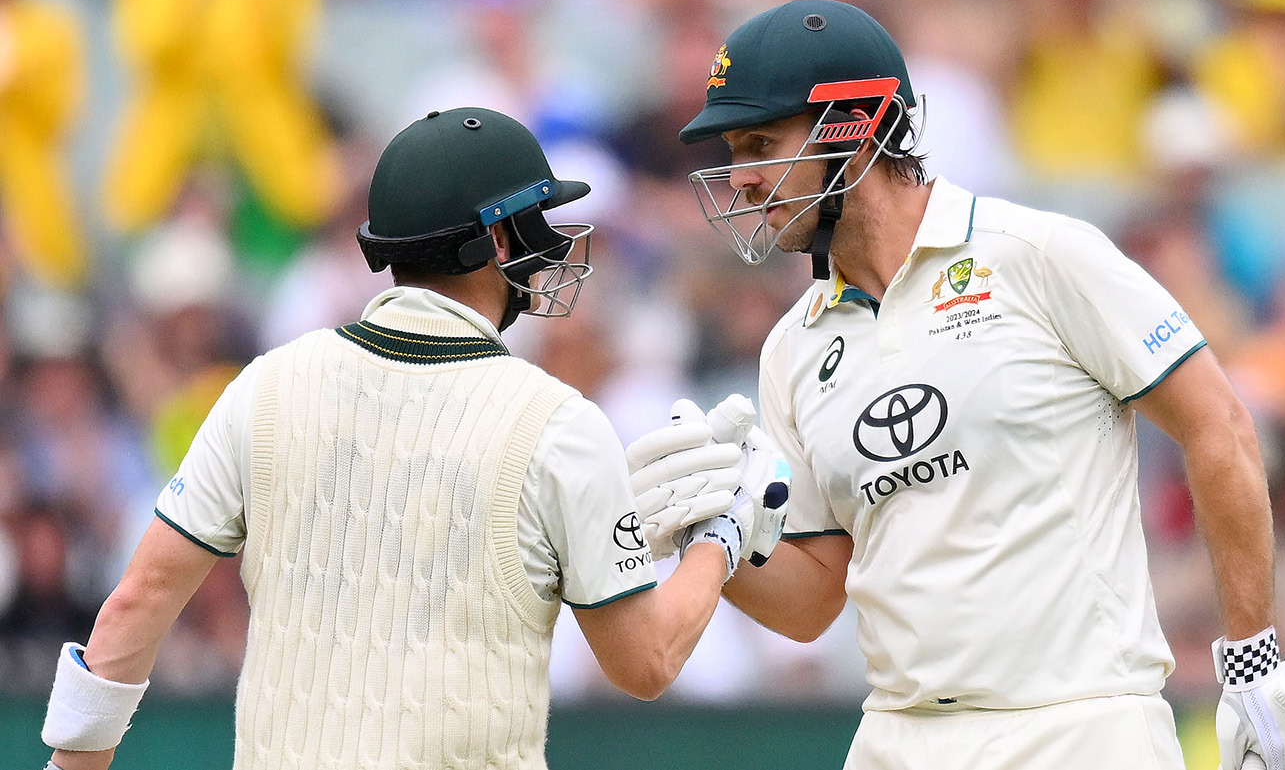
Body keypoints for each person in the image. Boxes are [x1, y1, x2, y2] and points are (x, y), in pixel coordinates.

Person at [672, 0, 1285, 770]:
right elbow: (816, 596)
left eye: (761, 143)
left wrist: (1250, 664)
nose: (742, 179)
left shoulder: (1037, 254)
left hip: (1080, 727)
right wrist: (708, 533)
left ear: (852, 126)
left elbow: (1218, 423)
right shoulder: (792, 348)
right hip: (897, 735)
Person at [38, 107, 751, 770]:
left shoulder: (265, 385)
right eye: (537, 220)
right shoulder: (560, 425)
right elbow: (645, 661)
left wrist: (71, 762)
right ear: (497, 237)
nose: (552, 247)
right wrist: (719, 539)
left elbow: (139, 599)